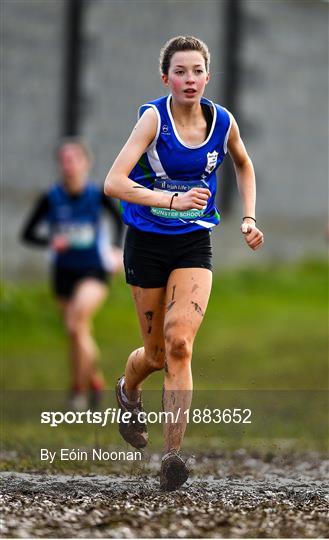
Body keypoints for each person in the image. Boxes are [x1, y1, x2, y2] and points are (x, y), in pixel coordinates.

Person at [104, 36, 264, 491]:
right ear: (166, 78)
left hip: (194, 241)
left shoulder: (222, 121)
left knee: (179, 344)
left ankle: (172, 457)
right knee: (154, 355)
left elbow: (244, 164)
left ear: (207, 76)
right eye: (180, 72)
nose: (189, 80)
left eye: (197, 71)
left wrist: (249, 217)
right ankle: (127, 390)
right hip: (147, 242)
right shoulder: (154, 119)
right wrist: (170, 198)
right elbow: (114, 182)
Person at [21, 140, 124, 411]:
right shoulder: (51, 197)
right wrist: (50, 242)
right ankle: (91, 382)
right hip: (63, 272)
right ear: (60, 164)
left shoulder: (97, 195)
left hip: (93, 270)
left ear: (86, 163)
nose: (70, 165)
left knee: (75, 323)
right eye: (65, 160)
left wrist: (115, 250)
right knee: (76, 331)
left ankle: (81, 390)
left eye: (75, 159)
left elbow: (119, 222)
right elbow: (27, 234)